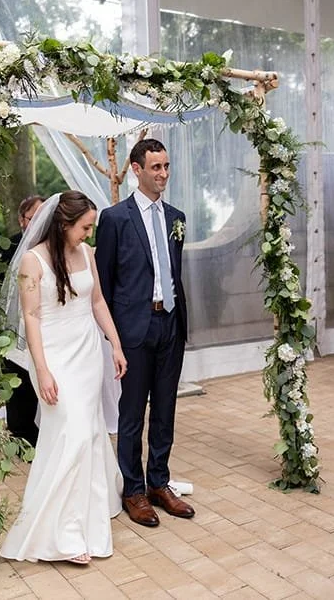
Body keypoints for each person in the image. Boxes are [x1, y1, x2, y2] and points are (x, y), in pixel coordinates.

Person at [0, 191, 126, 564]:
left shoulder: (87, 253)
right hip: (54, 357)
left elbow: (97, 302)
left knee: (90, 431)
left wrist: (115, 345)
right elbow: (31, 316)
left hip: (87, 353)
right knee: (71, 434)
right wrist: (41, 369)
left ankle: (88, 510)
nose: (89, 233)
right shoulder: (32, 260)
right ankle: (63, 533)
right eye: (85, 227)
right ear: (63, 224)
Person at [95, 138, 194, 528]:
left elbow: (174, 271)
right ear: (136, 169)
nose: (163, 173)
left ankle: (158, 483)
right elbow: (104, 283)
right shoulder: (114, 218)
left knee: (165, 411)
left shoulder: (176, 217)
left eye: (166, 166)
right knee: (132, 414)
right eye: (156, 167)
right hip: (134, 329)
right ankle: (133, 491)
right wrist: (115, 338)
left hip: (170, 324)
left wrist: (176, 320)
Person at [1, 195, 45, 447]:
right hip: (15, 329)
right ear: (22, 220)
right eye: (33, 217)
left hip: (45, 324)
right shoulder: (10, 247)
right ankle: (20, 434)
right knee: (19, 384)